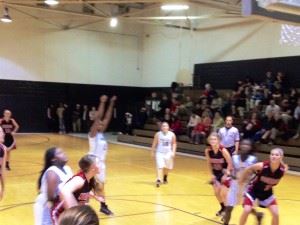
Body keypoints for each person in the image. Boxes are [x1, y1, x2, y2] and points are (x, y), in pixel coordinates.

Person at [239, 148, 287, 225]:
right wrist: (241, 180)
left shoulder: (282, 170)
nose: (273, 156)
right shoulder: (262, 166)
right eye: (272, 154)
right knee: (247, 210)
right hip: (253, 191)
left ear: (281, 157)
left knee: (276, 214)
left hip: (266, 193)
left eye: (276, 155)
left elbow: (276, 180)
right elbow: (248, 169)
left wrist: (271, 185)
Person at [222, 139, 263, 225]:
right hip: (235, 184)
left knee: (245, 206)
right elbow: (232, 172)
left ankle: (258, 215)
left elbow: (256, 174)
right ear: (240, 146)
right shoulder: (234, 158)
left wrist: (250, 180)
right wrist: (227, 173)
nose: (245, 146)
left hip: (246, 186)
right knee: (229, 207)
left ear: (250, 147)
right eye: (243, 144)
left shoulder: (253, 159)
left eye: (247, 145)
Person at [54, 155, 104, 224]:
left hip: (67, 216)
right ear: (92, 167)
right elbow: (64, 191)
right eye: (99, 163)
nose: (101, 165)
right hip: (58, 215)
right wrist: (76, 213)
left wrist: (95, 196)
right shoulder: (79, 179)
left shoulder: (88, 180)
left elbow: (82, 198)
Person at [88, 95, 116, 215]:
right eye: (98, 122)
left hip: (101, 163)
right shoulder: (93, 134)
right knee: (88, 186)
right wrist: (102, 103)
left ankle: (103, 206)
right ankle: (79, 205)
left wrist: (111, 103)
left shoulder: (101, 134)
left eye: (101, 123)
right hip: (92, 162)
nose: (101, 123)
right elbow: (99, 117)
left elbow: (107, 118)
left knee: (101, 187)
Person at [34, 147, 73, 225]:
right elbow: (51, 199)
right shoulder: (52, 172)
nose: (64, 153)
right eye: (60, 153)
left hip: (59, 207)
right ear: (53, 159)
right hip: (47, 207)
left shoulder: (67, 169)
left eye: (63, 151)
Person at [205, 132, 232, 217]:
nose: (213, 141)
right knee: (216, 193)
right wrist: (212, 174)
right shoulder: (208, 150)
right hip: (216, 174)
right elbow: (209, 163)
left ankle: (227, 213)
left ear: (218, 141)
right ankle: (223, 208)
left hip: (225, 173)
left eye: (215, 139)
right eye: (211, 139)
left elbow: (230, 162)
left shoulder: (223, 150)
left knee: (223, 193)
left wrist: (226, 174)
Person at [151, 122, 177, 187]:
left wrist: (173, 152)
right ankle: (158, 179)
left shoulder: (172, 134)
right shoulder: (158, 134)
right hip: (159, 152)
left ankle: (165, 177)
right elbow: (154, 143)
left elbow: (174, 143)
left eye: (166, 126)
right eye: (163, 126)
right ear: (161, 127)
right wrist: (152, 151)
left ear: (168, 127)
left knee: (167, 167)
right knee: (160, 166)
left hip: (168, 153)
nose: (164, 127)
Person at [0, 127, 7, 201]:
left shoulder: (3, 148)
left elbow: (2, 171)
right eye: (0, 132)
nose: (3, 134)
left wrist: (3, 188)